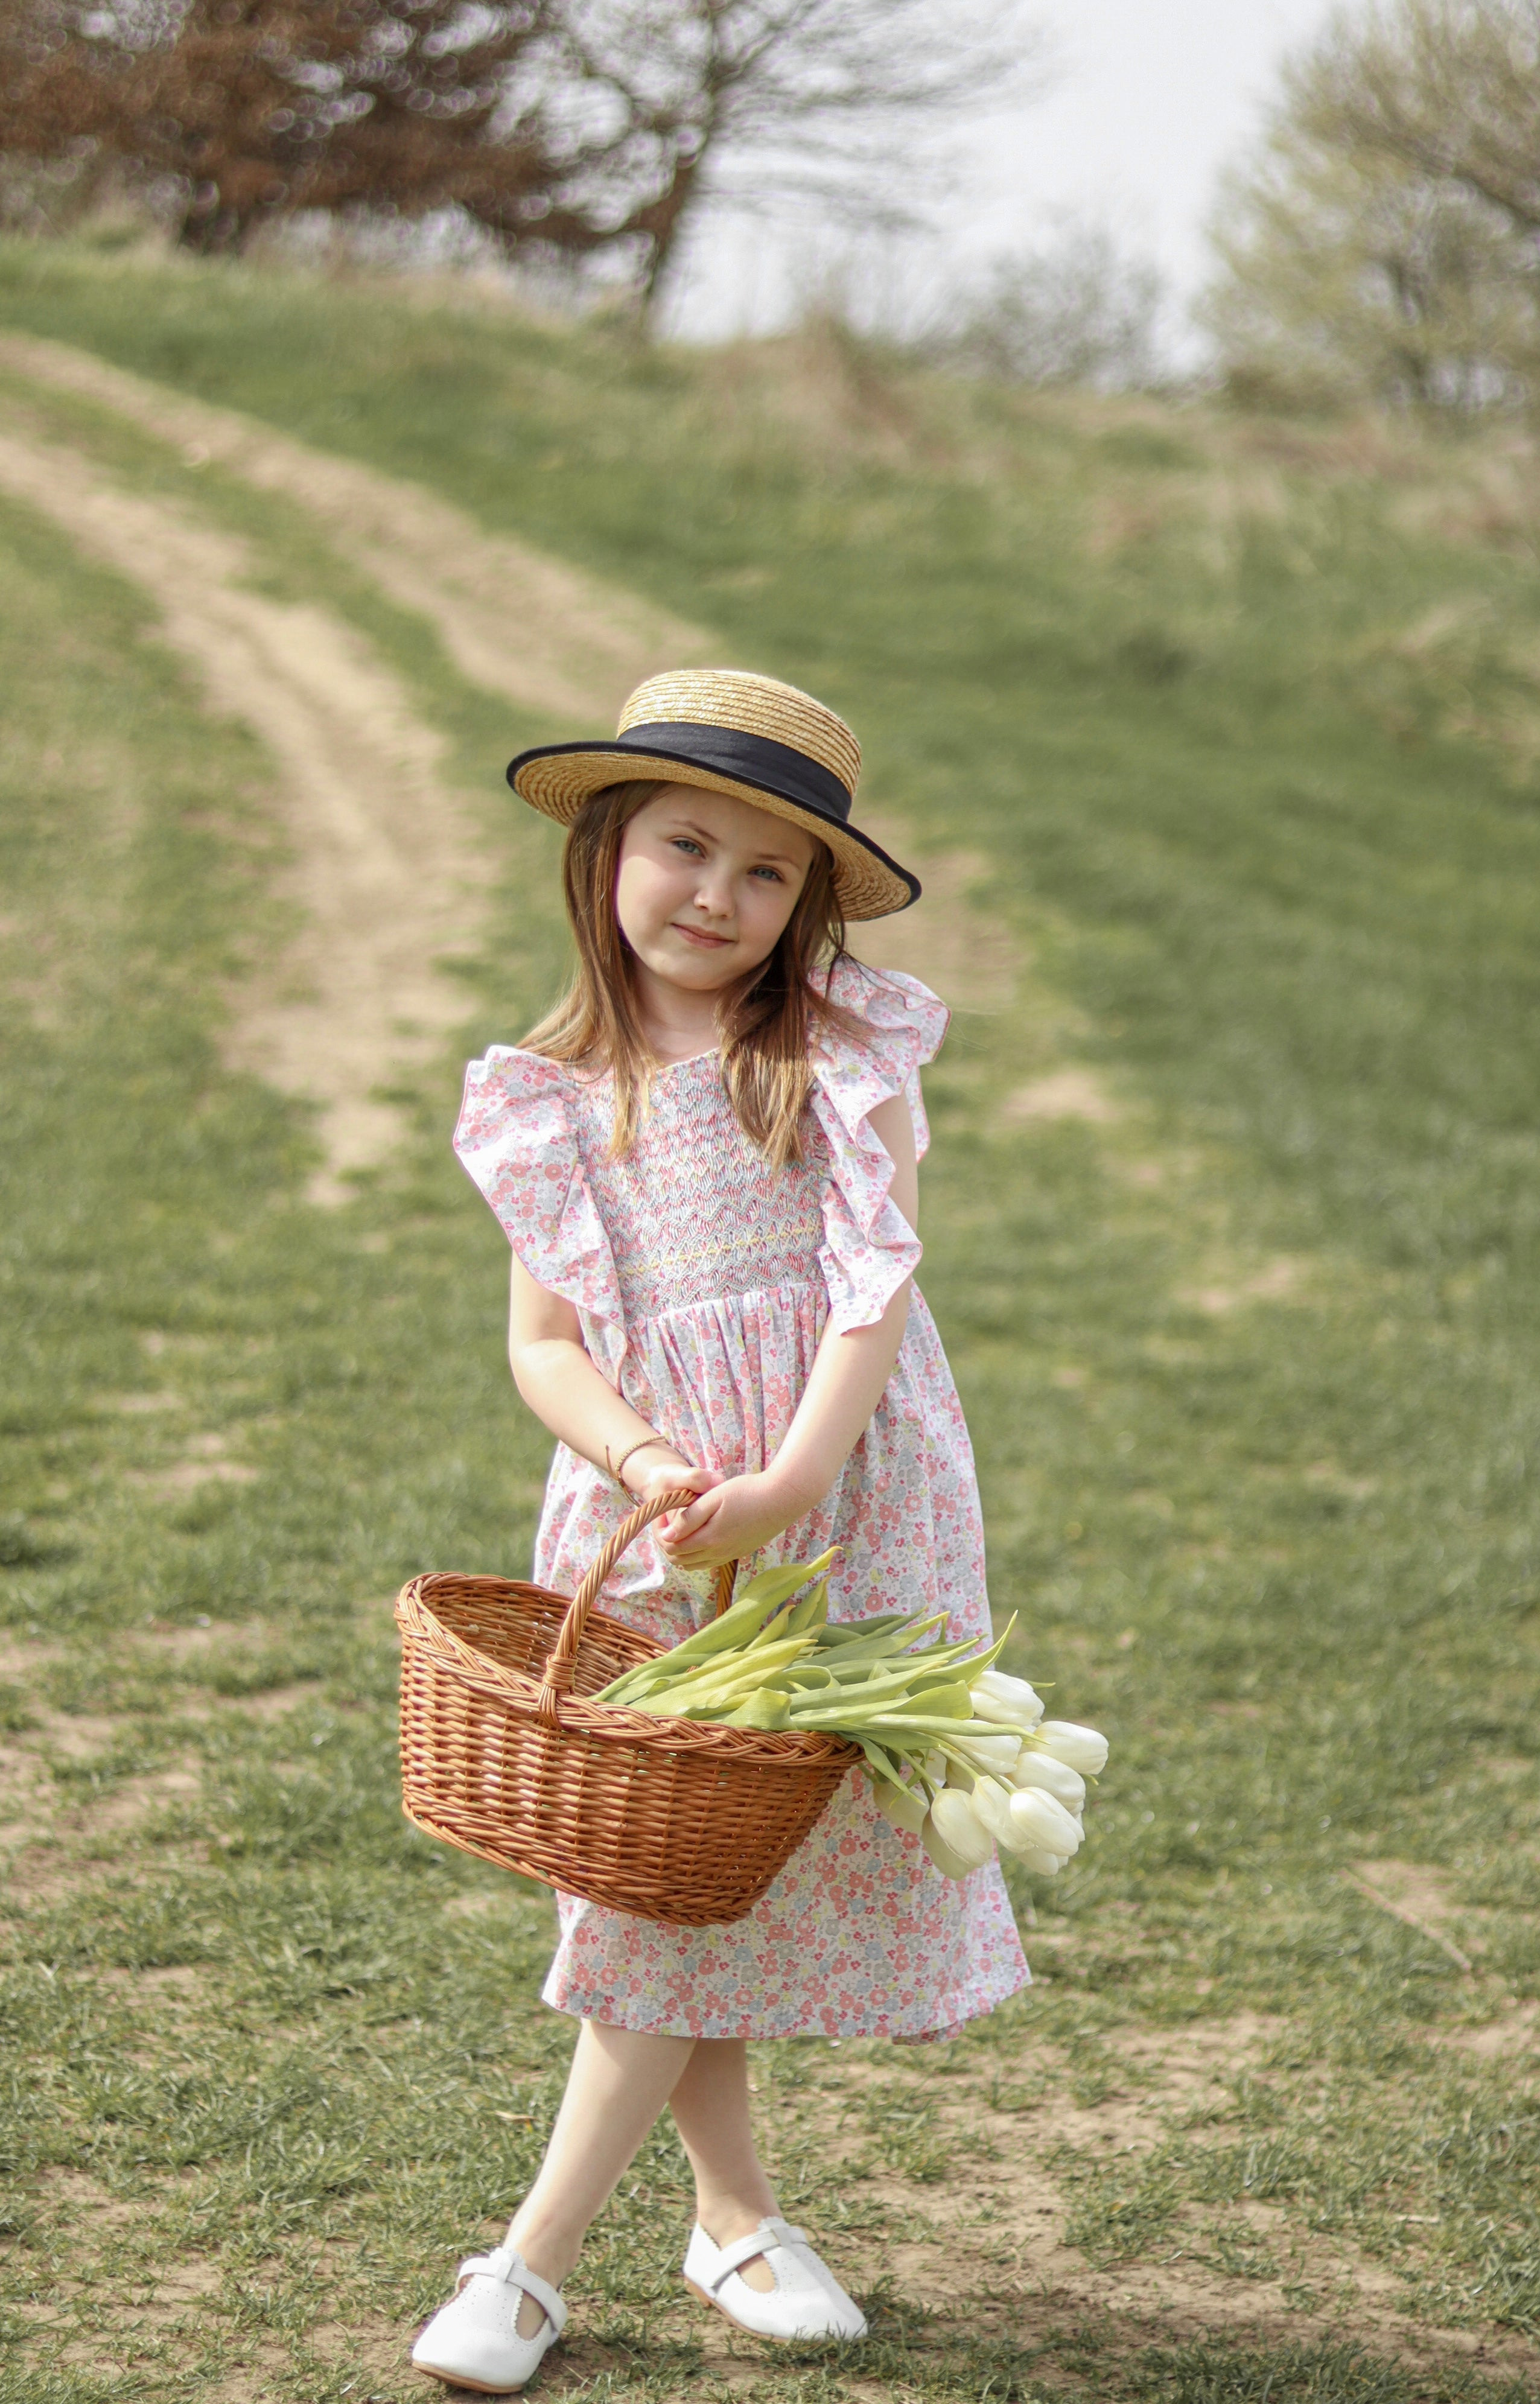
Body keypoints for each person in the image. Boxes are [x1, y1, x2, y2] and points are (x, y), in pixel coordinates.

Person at [411, 669, 1028, 2393]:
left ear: (808, 903)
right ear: (606, 851)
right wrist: (646, 1454)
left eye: (769, 875)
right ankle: (724, 2219)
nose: (718, 897)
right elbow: (544, 1343)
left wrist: (796, 1479)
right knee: (668, 1871)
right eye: (685, 846)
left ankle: (542, 2263)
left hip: (842, 1496)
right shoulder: (549, 1090)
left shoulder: (839, 1050)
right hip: (655, 1511)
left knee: (711, 1873)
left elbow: (873, 1291)